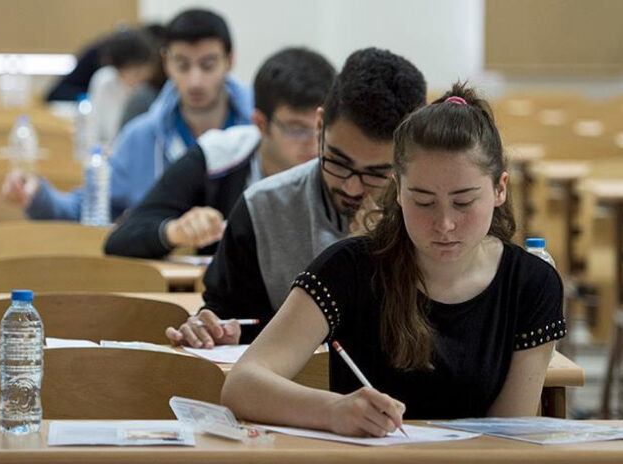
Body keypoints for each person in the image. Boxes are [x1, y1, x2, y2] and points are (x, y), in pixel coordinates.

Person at [221, 84, 565, 435]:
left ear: (499, 189)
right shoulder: (349, 268)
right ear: (397, 189)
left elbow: (508, 434)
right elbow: (242, 385)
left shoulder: (532, 283)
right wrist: (333, 410)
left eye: (463, 202)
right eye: (423, 201)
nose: (444, 224)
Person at [166, 47, 426, 347]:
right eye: (338, 162)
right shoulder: (262, 208)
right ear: (319, 126)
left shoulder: (438, 221)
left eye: (377, 173)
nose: (353, 188)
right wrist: (210, 329)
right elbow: (231, 315)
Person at [2, 9, 253, 221]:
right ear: (165, 62)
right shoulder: (141, 137)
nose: (195, 80)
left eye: (208, 65)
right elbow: (88, 209)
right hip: (163, 276)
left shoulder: (259, 131)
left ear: (230, 61)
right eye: (183, 65)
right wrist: (37, 195)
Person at [104, 47, 336, 259]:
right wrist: (175, 230)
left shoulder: (344, 169)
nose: (314, 142)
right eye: (296, 129)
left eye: (321, 128)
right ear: (260, 124)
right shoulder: (218, 156)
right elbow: (122, 239)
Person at [87, 27, 157, 145]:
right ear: (117, 69)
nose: (139, 78)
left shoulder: (150, 91)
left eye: (142, 71)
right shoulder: (104, 80)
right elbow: (92, 130)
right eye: (134, 72)